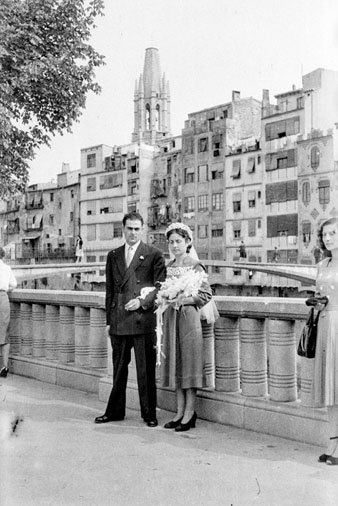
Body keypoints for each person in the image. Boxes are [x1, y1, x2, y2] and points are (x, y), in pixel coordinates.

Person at [95, 212, 166, 427]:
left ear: (142, 229)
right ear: (123, 229)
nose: (133, 232)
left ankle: (149, 413)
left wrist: (142, 303)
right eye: (129, 228)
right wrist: (109, 321)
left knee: (145, 371)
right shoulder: (113, 255)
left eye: (137, 229)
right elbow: (109, 291)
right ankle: (114, 411)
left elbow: (160, 286)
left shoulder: (153, 254)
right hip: (118, 319)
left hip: (142, 319)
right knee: (118, 369)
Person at [160, 223, 213, 432]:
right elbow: (163, 289)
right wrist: (164, 297)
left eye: (178, 241)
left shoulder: (195, 265)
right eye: (171, 242)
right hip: (172, 318)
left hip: (189, 319)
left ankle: (190, 413)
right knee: (176, 364)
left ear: (188, 242)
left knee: (189, 364)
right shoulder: (168, 266)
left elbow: (206, 294)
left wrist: (185, 300)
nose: (174, 246)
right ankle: (179, 411)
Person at [312, 217, 338, 465]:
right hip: (325, 324)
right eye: (325, 234)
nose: (328, 238)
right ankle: (333, 441)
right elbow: (321, 294)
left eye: (333, 233)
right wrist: (316, 302)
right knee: (331, 388)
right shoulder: (322, 264)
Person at [0, 247, 17, 377]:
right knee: (4, 333)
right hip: (3, 298)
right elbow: (14, 285)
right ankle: (4, 366)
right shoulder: (7, 268)